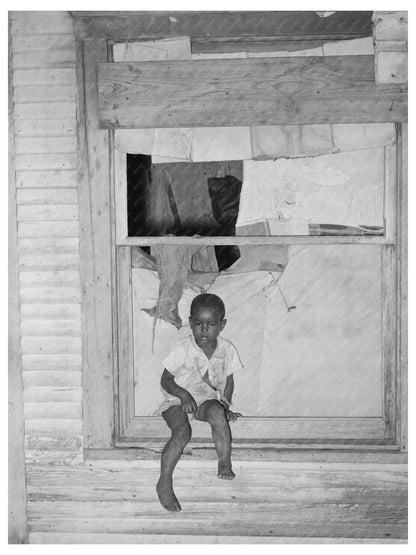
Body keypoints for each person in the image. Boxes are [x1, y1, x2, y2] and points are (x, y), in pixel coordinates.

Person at [156, 293, 243, 512]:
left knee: (217, 415)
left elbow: (229, 381)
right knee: (182, 433)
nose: (204, 329)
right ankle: (164, 481)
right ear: (190, 323)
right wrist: (184, 395)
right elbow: (165, 380)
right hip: (177, 398)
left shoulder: (227, 349)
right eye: (198, 324)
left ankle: (224, 460)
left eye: (211, 324)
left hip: (205, 399)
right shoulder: (183, 348)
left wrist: (225, 406)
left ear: (222, 324)